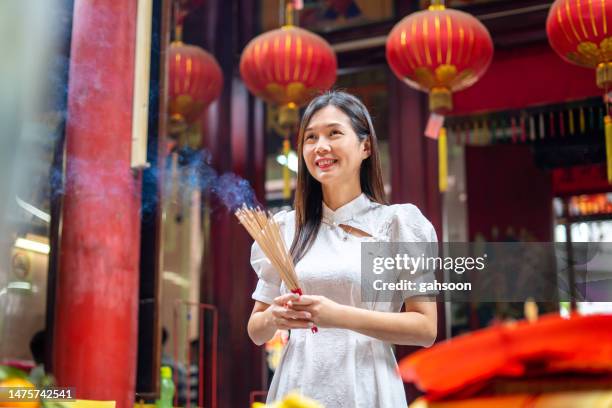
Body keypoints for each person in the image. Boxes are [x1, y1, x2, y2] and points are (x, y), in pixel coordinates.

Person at [247, 91, 438, 407]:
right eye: (310, 138)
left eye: (334, 133)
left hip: (367, 385)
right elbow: (256, 330)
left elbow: (425, 328)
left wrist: (336, 315)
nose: (320, 146)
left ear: (365, 146)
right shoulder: (285, 229)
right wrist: (275, 317)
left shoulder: (394, 224)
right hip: (297, 384)